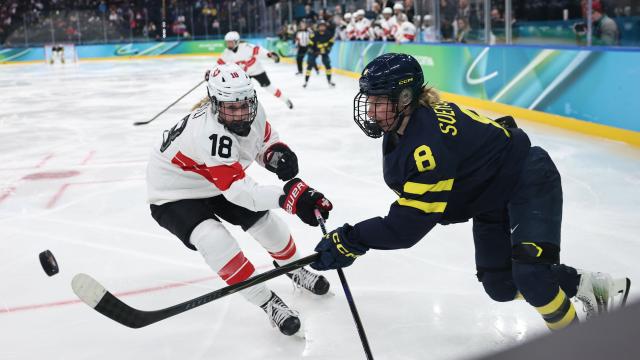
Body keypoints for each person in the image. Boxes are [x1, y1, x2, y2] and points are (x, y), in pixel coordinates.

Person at [310, 53, 631, 331]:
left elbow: (406, 228)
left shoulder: (426, 145)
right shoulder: (408, 126)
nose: (371, 109)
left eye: (379, 100)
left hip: (527, 180)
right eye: (369, 99)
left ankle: (578, 343)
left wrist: (352, 239)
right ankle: (589, 286)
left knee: (531, 278)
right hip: (490, 195)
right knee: (501, 285)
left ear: (405, 98)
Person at [147, 63, 333, 336]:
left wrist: (275, 155)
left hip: (210, 179)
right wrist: (291, 197)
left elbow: (263, 141)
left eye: (245, 104)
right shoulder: (211, 135)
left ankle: (294, 269)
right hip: (174, 192)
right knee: (214, 240)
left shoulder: (252, 112)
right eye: (231, 108)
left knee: (266, 225)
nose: (241, 113)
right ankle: (268, 303)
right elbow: (241, 193)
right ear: (215, 103)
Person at [217, 31, 294, 109]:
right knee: (238, 92)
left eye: (230, 42)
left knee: (268, 87)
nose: (228, 44)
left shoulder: (247, 47)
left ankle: (285, 99)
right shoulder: (226, 53)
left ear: (236, 42)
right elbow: (218, 65)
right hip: (244, 74)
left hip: (257, 70)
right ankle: (241, 108)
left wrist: (269, 55)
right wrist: (210, 72)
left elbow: (259, 50)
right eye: (227, 42)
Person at [304, 20, 336, 88]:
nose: (322, 27)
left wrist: (326, 50)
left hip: (324, 52)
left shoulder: (329, 34)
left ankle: (329, 81)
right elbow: (310, 44)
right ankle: (306, 81)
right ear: (318, 27)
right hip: (314, 51)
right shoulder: (314, 35)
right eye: (320, 26)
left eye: (323, 26)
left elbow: (331, 44)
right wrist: (311, 50)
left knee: (327, 64)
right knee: (310, 64)